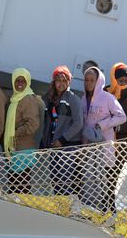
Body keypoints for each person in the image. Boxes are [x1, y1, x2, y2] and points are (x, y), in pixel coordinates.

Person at [80, 66, 126, 212]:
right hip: (88, 148)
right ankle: (88, 210)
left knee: (103, 182)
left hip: (104, 146)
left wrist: (103, 125)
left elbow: (122, 117)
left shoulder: (108, 98)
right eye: (86, 80)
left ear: (98, 81)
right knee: (87, 180)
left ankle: (102, 212)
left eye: (92, 80)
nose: (88, 83)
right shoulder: (83, 99)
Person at [42, 65, 83, 195]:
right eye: (59, 80)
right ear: (54, 81)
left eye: (65, 80)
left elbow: (78, 123)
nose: (61, 83)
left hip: (68, 146)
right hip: (53, 146)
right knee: (54, 178)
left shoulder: (73, 99)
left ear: (69, 82)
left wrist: (62, 139)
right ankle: (59, 204)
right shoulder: (49, 98)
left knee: (64, 179)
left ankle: (65, 206)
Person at [4, 68, 42, 194]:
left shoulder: (28, 99)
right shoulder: (15, 98)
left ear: (28, 82)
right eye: (17, 80)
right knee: (15, 184)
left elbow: (33, 124)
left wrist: (16, 132)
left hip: (23, 150)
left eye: (23, 81)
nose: (19, 83)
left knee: (21, 186)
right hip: (16, 148)